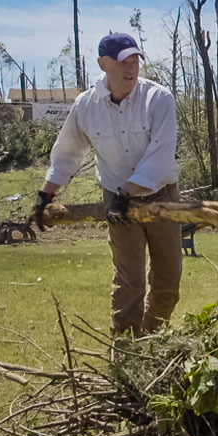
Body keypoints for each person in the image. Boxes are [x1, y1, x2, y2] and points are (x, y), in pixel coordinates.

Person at [32, 32, 182, 336]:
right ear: (103, 63)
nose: (131, 67)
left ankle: (150, 342)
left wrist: (129, 191)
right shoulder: (86, 105)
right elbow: (67, 153)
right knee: (130, 284)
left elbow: (161, 154)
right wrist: (46, 195)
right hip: (117, 204)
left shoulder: (159, 98)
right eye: (123, 61)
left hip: (162, 197)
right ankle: (126, 354)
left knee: (168, 283)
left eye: (135, 60)